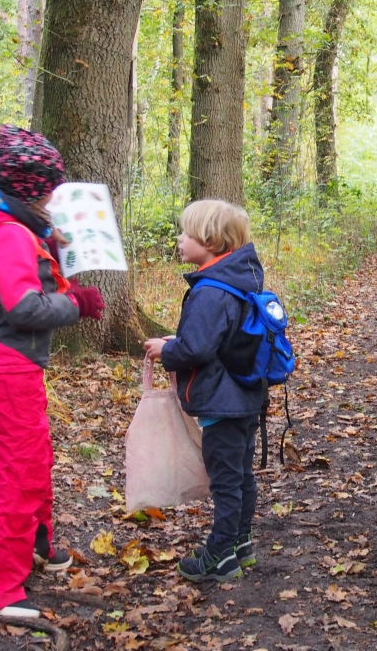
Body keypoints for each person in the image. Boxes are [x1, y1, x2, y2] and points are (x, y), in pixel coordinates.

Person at [0, 125, 105, 617]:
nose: (57, 195)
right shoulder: (7, 234)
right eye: (52, 187)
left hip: (12, 362)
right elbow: (24, 309)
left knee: (35, 458)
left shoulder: (11, 224)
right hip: (2, 365)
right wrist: (75, 303)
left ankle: (38, 544)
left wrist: (54, 251)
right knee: (19, 473)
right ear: (34, 188)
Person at [144, 200, 266, 583]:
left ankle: (219, 554)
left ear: (210, 241)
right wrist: (180, 341)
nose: (180, 239)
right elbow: (216, 338)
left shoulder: (210, 291)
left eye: (186, 233)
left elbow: (196, 349)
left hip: (222, 402)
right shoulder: (240, 279)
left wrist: (168, 350)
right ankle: (239, 544)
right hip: (245, 396)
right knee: (241, 475)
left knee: (227, 481)